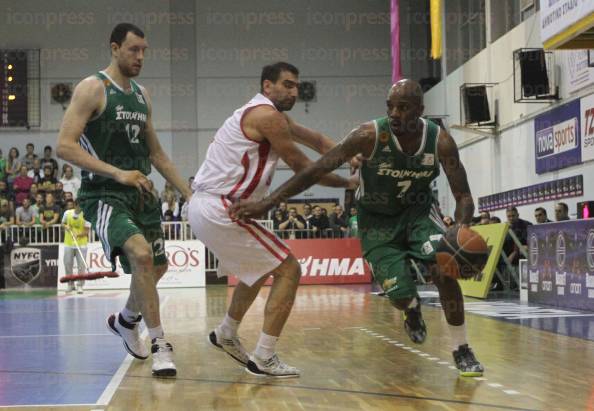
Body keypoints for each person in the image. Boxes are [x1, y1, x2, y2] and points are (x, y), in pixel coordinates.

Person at [231, 79, 485, 377]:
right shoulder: (367, 135)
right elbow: (316, 169)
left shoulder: (440, 141)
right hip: (376, 222)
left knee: (443, 270)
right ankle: (411, 306)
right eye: (389, 106)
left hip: (418, 214)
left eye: (402, 107)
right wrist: (269, 202)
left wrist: (463, 226)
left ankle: (462, 348)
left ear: (420, 110)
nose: (394, 113)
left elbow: (463, 196)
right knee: (399, 295)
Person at [187, 62, 354, 378]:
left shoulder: (268, 115)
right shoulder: (267, 117)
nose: (294, 91)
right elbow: (304, 167)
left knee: (260, 269)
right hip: (222, 207)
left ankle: (226, 332)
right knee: (289, 269)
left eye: (296, 86)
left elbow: (318, 140)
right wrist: (349, 183)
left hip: (212, 205)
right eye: (287, 85)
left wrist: (353, 156)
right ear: (267, 86)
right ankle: (264, 355)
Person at [56, 23, 192, 377]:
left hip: (141, 193)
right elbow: (65, 146)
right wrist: (117, 172)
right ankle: (161, 343)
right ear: (114, 48)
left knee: (157, 267)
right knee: (142, 256)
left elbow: (158, 154)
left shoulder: (143, 95)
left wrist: (190, 194)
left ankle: (127, 320)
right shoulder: (92, 88)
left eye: (144, 50)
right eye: (134, 50)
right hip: (104, 193)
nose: (141, 57)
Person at [62, 199, 91, 294]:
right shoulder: (67, 213)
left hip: (81, 244)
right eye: (80, 205)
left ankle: (80, 286)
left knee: (81, 266)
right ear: (75, 205)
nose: (81, 208)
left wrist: (78, 235)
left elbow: (86, 231)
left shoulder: (87, 215)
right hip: (68, 243)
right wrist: (66, 226)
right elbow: (63, 223)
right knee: (67, 264)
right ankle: (70, 285)